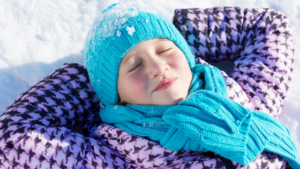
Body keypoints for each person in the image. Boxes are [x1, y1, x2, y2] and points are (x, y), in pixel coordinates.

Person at [0, 2, 298, 169]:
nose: (157, 68)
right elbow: (11, 140)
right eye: (134, 66)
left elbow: (269, 27)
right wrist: (84, 85)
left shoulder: (248, 102)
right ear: (116, 97)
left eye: (165, 51)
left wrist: (185, 35)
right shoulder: (116, 158)